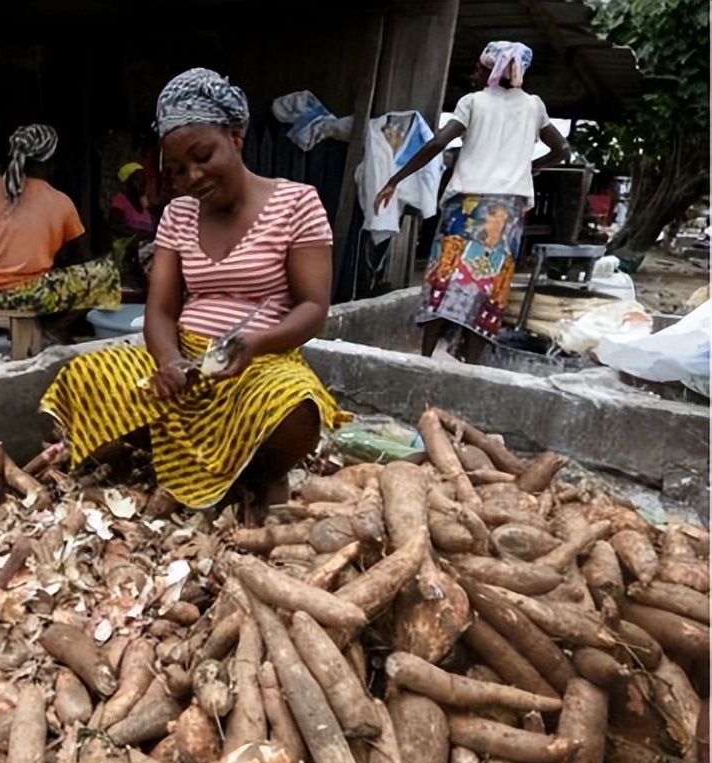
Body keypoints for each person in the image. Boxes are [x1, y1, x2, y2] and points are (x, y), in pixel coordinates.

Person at [40, 68, 348, 521]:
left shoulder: (297, 203)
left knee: (296, 407)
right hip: (186, 365)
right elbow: (160, 309)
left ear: (236, 136)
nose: (193, 176)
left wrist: (255, 343)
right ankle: (210, 461)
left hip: (257, 367)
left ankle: (254, 474)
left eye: (203, 156)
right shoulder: (179, 215)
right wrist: (168, 363)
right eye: (178, 170)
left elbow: (313, 308)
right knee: (85, 375)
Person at [375, 41, 570, 364]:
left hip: (466, 207)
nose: (473, 75)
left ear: (492, 71)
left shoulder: (474, 102)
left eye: (478, 69)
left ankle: (425, 359)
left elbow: (439, 141)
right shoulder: (534, 106)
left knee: (445, 278)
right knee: (488, 287)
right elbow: (562, 150)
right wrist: (535, 165)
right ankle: (472, 367)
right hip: (506, 214)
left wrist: (396, 178)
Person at [0, 123, 119, 342]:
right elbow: (84, 261)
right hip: (26, 297)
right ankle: (58, 328)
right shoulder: (61, 202)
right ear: (51, 163)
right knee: (105, 276)